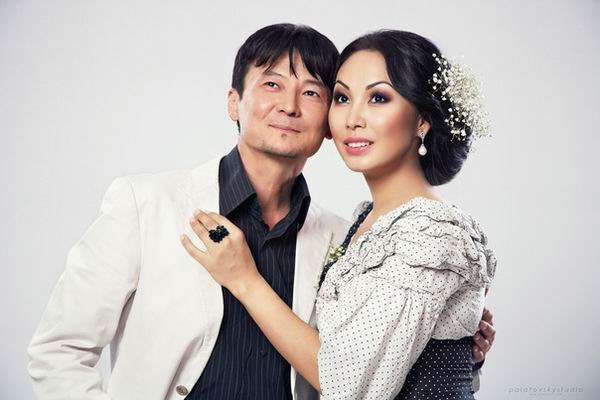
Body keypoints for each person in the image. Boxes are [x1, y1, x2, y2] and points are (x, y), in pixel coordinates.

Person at [28, 24, 495, 400]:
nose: (289, 106)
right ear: (234, 101)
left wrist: (448, 351)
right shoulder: (146, 203)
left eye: (312, 93)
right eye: (272, 84)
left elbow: (356, 370)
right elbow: (60, 350)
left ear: (325, 123)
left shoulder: (344, 237)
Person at [180, 29, 497, 399]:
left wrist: (244, 280)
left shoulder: (427, 234)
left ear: (422, 120)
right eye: (343, 98)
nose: (352, 118)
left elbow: (346, 385)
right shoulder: (365, 222)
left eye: (378, 98)